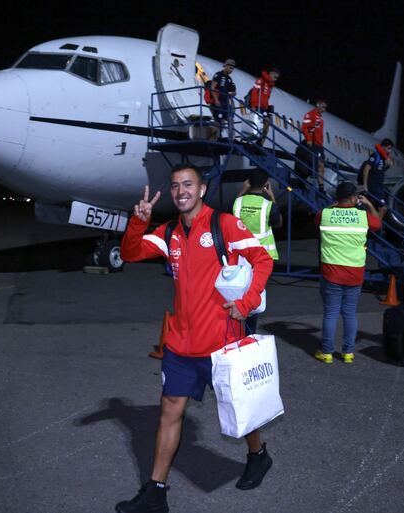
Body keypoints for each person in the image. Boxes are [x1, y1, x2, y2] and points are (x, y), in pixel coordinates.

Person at [117, 164, 274, 512]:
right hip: (180, 344)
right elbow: (131, 254)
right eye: (174, 186)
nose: (180, 191)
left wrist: (246, 304)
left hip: (221, 341)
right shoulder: (169, 230)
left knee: (238, 408)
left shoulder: (224, 225)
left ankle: (258, 454)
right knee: (169, 412)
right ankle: (155, 492)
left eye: (188, 184)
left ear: (202, 190)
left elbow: (262, 260)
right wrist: (138, 222)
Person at [314, 181, 382, 364]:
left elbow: (318, 217)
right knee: (350, 313)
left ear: (337, 198)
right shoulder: (363, 216)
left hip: (331, 271)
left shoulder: (325, 214)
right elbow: (378, 223)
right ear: (354, 198)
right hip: (355, 272)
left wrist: (334, 204)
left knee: (331, 313)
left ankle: (327, 353)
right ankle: (348, 352)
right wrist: (368, 204)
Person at [232, 169, 283, 334]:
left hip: (240, 256)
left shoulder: (238, 202)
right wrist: (272, 196)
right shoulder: (268, 206)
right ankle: (249, 333)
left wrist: (243, 189)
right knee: (253, 294)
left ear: (248, 183)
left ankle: (234, 332)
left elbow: (231, 217)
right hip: (260, 259)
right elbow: (278, 223)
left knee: (237, 293)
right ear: (265, 185)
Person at [358, 138, 393, 219]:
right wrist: (365, 185)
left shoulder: (384, 158)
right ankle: (377, 226)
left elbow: (380, 171)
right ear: (383, 147)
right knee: (383, 208)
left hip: (379, 186)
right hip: (373, 186)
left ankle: (375, 225)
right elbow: (366, 169)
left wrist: (387, 166)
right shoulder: (375, 155)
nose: (389, 151)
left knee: (379, 207)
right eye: (388, 148)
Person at [247, 68, 280, 145]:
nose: (276, 79)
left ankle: (260, 143)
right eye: (275, 77)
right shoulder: (261, 80)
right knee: (259, 124)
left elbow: (266, 98)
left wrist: (267, 107)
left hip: (264, 108)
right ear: (271, 73)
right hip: (257, 106)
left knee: (267, 124)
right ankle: (255, 142)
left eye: (277, 78)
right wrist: (253, 105)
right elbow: (254, 92)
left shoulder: (270, 86)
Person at [302, 100, 327, 192]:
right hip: (313, 144)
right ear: (318, 105)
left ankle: (321, 187)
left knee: (321, 166)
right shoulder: (310, 114)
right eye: (323, 107)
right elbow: (304, 128)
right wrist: (308, 140)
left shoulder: (320, 118)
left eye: (325, 108)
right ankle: (319, 186)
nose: (324, 109)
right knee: (318, 165)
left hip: (319, 145)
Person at [211, 59, 237, 137]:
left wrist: (233, 94)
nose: (231, 68)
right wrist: (216, 100)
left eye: (233, 67)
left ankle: (231, 139)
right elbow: (212, 87)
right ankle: (214, 138)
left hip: (225, 103)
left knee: (230, 120)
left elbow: (231, 92)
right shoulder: (218, 75)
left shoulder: (229, 79)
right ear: (225, 66)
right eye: (230, 66)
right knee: (218, 122)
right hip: (218, 102)